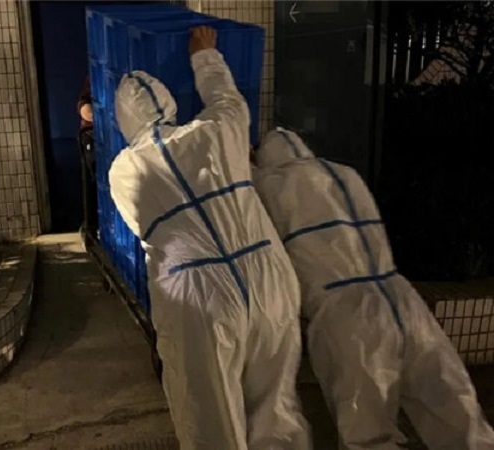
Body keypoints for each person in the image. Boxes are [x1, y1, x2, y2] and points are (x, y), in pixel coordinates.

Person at [108, 27, 311, 450]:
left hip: (198, 298)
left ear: (124, 122)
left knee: (211, 423)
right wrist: (204, 53)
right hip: (269, 276)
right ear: (170, 103)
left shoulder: (122, 171)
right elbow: (224, 94)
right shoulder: (220, 128)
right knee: (276, 412)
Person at [252, 127, 494, 450]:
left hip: (346, 312)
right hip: (401, 297)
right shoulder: (346, 175)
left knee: (368, 430)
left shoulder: (268, 185)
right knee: (454, 407)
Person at [76, 76, 98, 240]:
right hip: (93, 135)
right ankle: (91, 226)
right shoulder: (96, 77)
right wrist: (89, 112)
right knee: (92, 181)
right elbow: (83, 103)